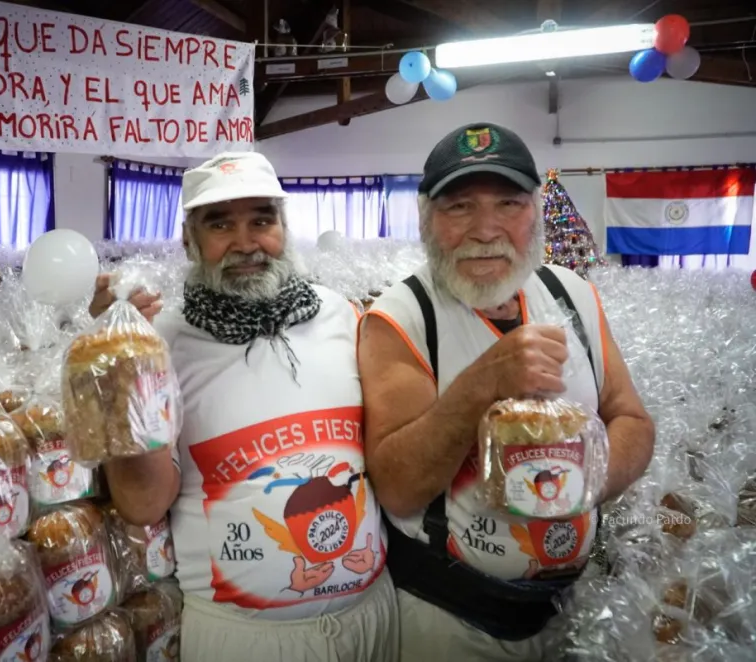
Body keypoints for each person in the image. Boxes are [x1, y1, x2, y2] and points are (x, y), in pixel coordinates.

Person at [357, 123, 655, 661]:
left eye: (508, 203)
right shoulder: (400, 317)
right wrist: (483, 383)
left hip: (574, 607)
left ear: (536, 211)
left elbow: (631, 419)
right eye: (460, 207)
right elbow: (397, 488)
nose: (486, 229)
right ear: (427, 218)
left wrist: (578, 484)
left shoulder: (575, 295)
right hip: (451, 617)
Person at [89, 151, 398, 662]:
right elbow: (142, 504)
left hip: (370, 620)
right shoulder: (161, 341)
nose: (246, 242)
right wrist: (119, 363)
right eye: (220, 224)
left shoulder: (342, 317)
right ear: (189, 241)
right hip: (242, 639)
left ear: (284, 226)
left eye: (261, 219)